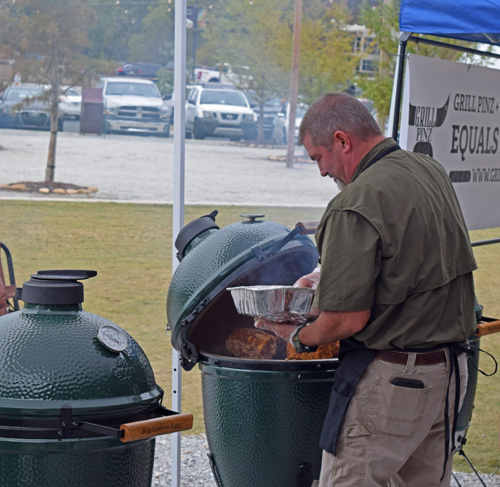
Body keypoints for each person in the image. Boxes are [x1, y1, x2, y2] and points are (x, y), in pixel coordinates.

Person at [256, 93, 477, 486]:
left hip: (395, 382)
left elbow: (344, 320)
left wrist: (297, 337)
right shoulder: (429, 170)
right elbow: (410, 261)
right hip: (450, 372)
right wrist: (326, 278)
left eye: (318, 157)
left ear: (342, 141)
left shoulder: (353, 202)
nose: (322, 171)